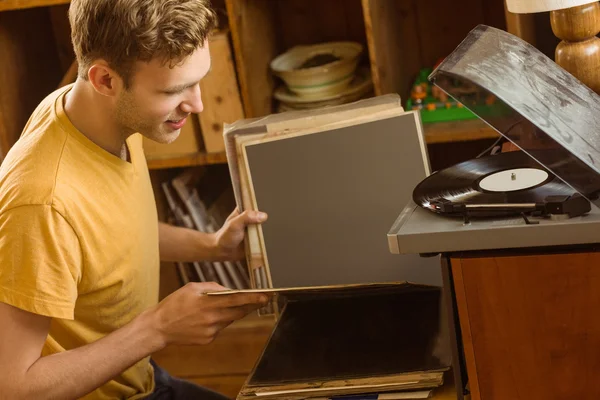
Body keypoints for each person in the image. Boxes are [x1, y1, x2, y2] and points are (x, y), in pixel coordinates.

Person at [0, 0, 270, 399]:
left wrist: (212, 246)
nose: (196, 104)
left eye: (198, 81)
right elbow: (13, 386)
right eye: (174, 90)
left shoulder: (97, 115)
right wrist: (158, 328)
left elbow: (107, 232)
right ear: (105, 79)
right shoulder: (42, 203)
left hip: (136, 372)